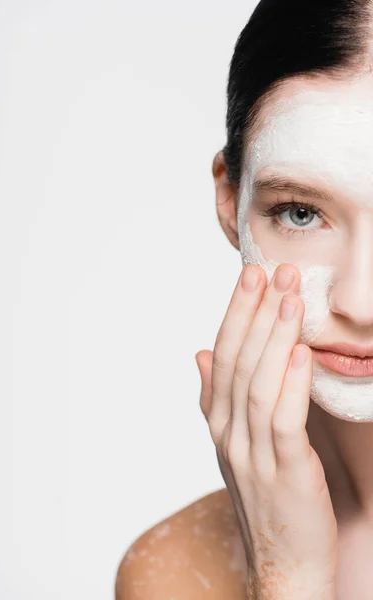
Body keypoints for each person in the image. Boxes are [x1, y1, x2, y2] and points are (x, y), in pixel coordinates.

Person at [115, 0, 373, 598]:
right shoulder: (176, 573)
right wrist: (288, 579)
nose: (360, 302)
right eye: (301, 213)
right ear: (231, 203)